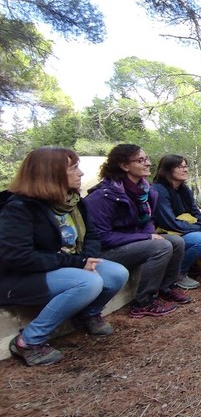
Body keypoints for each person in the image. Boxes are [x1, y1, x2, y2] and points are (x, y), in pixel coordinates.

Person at [0, 148, 129, 366]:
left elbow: (93, 235)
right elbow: (18, 257)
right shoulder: (19, 208)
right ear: (50, 173)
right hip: (21, 277)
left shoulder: (74, 201)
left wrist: (87, 257)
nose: (80, 173)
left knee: (117, 273)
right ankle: (28, 341)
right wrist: (77, 262)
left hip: (65, 266)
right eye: (73, 168)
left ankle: (88, 313)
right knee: (88, 282)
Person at [84, 144, 191, 319]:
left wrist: (149, 234)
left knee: (177, 242)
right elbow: (102, 237)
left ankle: (167, 287)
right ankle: (144, 302)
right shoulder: (104, 196)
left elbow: (147, 219)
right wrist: (147, 236)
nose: (148, 163)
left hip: (133, 242)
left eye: (147, 159)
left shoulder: (144, 190)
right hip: (105, 252)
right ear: (124, 166)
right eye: (141, 160)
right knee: (161, 246)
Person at [152, 155, 201, 288]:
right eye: (180, 167)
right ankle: (178, 273)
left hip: (181, 228)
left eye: (186, 166)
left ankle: (196, 266)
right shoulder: (159, 190)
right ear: (167, 170)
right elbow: (169, 223)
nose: (185, 170)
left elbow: (195, 213)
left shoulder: (183, 189)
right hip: (164, 232)